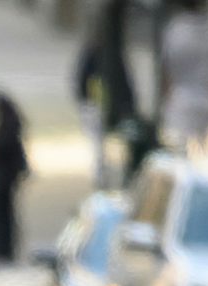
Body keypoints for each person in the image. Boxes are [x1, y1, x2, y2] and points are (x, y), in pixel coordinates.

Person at [74, 0, 136, 190]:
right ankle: (101, 176)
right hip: (96, 104)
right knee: (98, 146)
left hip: (100, 103)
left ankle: (107, 175)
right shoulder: (96, 55)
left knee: (103, 145)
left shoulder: (102, 54)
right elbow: (82, 81)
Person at [159, 0, 208, 154]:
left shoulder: (173, 31)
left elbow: (166, 71)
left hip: (180, 100)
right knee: (204, 154)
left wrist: (165, 99)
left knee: (178, 152)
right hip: (206, 100)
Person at [0, 91, 29, 262]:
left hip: (4, 174)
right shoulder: (12, 123)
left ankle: (1, 249)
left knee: (2, 213)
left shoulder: (8, 126)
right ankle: (2, 249)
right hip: (8, 174)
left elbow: (2, 147)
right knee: (5, 213)